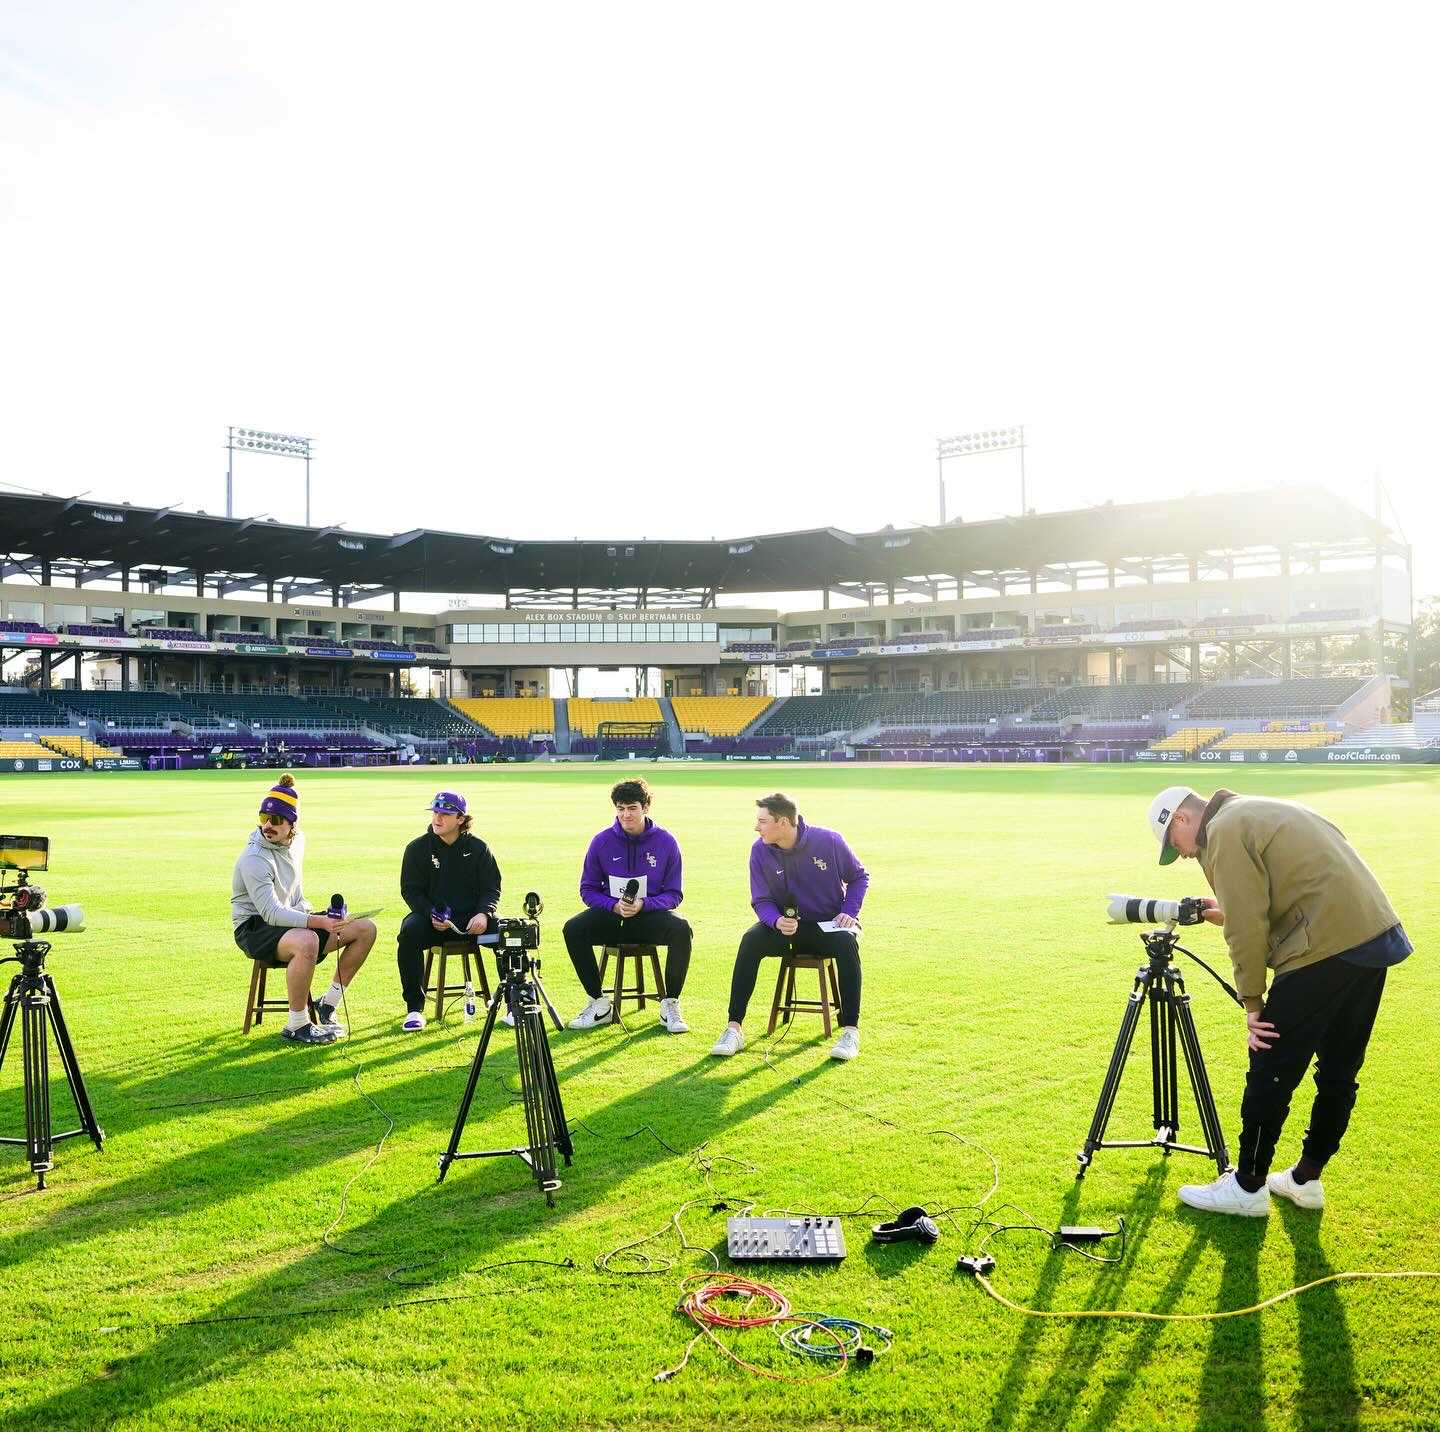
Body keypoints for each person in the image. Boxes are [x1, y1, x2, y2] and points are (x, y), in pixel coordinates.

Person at [1146, 784, 1412, 1216]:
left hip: (1324, 944)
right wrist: (1228, 909)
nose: (1183, 855)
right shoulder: (1254, 809)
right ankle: (1306, 1180)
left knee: (1269, 1061)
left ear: (1181, 819)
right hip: (1371, 937)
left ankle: (1247, 1187)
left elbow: (1247, 928)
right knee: (1340, 1069)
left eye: (1175, 845)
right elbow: (1287, 889)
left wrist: (1252, 1002)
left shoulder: (1223, 833)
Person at [711, 793, 868, 1062]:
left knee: (847, 943)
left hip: (827, 927)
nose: (756, 827)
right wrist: (775, 921)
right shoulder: (759, 850)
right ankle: (734, 1028)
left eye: (762, 821)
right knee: (751, 940)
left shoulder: (829, 840)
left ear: (783, 822)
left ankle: (850, 1031)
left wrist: (849, 912)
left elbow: (858, 877)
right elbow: (761, 899)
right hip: (785, 928)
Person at [231, 774, 377, 1044]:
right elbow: (271, 913)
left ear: (291, 824)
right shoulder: (254, 859)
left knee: (365, 929)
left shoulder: (298, 842)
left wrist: (323, 915)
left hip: (289, 919)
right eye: (263, 817)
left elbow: (294, 893)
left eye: (275, 820)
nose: (267, 825)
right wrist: (318, 922)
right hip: (254, 927)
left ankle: (328, 1003)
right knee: (308, 939)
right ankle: (297, 1024)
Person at [563, 778, 692, 1033]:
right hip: (612, 917)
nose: (625, 814)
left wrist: (644, 904)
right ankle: (598, 1003)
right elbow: (587, 889)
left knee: (681, 928)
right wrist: (612, 905)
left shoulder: (666, 842)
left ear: (646, 807)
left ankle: (670, 1004)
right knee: (573, 928)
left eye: (632, 808)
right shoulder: (601, 841)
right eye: (620, 808)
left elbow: (674, 894)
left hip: (649, 918)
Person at [397, 791, 501, 1031]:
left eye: (445, 813)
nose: (438, 818)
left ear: (461, 819)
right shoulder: (417, 849)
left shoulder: (478, 848)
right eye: (435, 812)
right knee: (409, 934)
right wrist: (430, 913)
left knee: (505, 934)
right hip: (432, 922)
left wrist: (484, 913)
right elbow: (410, 891)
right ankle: (414, 1009)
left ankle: (509, 1004)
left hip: (472, 925)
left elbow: (491, 887)